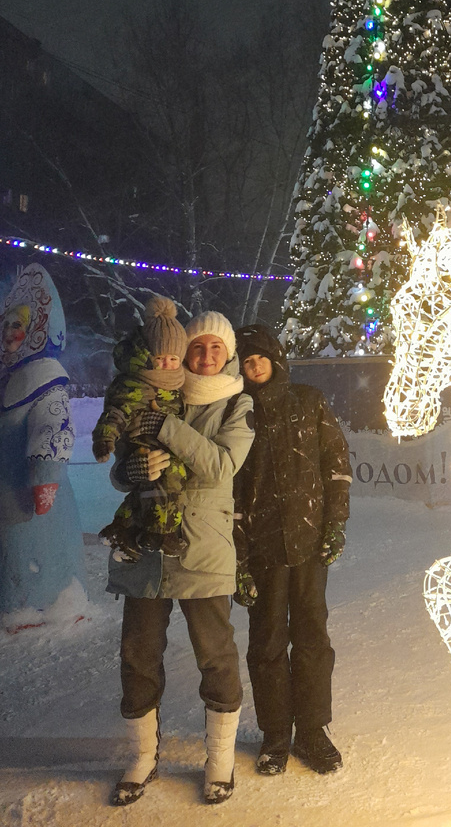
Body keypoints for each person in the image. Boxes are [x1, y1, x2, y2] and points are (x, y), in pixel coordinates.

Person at [106, 311, 254, 807]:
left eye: (216, 348)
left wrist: (167, 428)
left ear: (227, 354)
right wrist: (131, 467)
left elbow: (221, 465)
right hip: (147, 545)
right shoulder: (153, 390)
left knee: (215, 655)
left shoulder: (238, 402)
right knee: (138, 653)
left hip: (203, 547)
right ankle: (143, 756)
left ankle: (219, 759)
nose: (206, 356)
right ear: (183, 351)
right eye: (197, 347)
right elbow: (120, 476)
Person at [234, 322, 351, 777]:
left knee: (311, 639)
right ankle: (276, 734)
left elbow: (336, 464)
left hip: (308, 545)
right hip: (262, 551)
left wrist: (335, 524)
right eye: (246, 360)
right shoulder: (238, 412)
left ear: (276, 358)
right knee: (265, 643)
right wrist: (239, 559)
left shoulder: (309, 401)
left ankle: (313, 731)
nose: (255, 364)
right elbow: (233, 490)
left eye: (260, 356)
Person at [0, 264, 88, 632]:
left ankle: (43, 601)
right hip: (7, 483)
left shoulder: (45, 375)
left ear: (37, 328)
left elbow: (54, 425)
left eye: (17, 326)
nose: (9, 333)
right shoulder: (8, 376)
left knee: (30, 546)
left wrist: (46, 475)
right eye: (5, 326)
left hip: (29, 489)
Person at [93, 296, 190, 559]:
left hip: (164, 446)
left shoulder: (179, 386)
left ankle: (123, 529)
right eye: (161, 358)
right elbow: (116, 411)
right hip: (141, 442)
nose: (168, 365)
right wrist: (106, 439)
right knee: (162, 476)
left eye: (173, 358)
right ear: (148, 355)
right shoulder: (136, 382)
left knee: (154, 484)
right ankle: (159, 533)